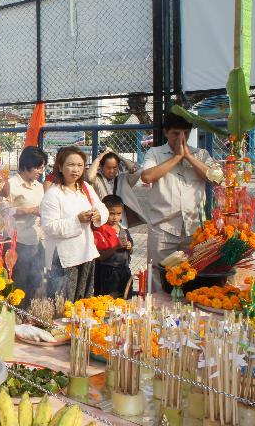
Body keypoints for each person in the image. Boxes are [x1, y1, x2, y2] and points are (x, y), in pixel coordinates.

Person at [140, 112, 214, 291]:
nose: (181, 138)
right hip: (163, 229)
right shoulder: (155, 153)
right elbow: (147, 176)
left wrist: (189, 157)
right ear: (165, 132)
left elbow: (216, 178)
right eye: (175, 133)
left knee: (194, 280)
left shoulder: (201, 154)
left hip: (194, 230)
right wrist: (176, 158)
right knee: (158, 280)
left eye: (185, 133)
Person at [41, 146, 108, 302]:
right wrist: (77, 220)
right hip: (64, 257)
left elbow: (102, 208)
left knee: (84, 300)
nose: (75, 170)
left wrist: (98, 215)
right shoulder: (53, 194)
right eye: (70, 165)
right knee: (63, 303)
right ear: (60, 167)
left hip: (86, 252)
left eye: (79, 165)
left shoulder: (85, 188)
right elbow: (49, 227)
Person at [8, 146, 48, 303]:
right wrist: (29, 210)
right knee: (19, 284)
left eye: (43, 168)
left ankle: (28, 317)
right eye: (38, 167)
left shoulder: (39, 186)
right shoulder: (11, 185)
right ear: (26, 165)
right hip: (17, 242)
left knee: (35, 282)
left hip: (36, 242)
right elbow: (3, 211)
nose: (41, 171)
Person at [86, 147, 145, 227]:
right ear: (101, 166)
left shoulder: (124, 178)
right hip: (102, 221)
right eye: (108, 168)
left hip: (121, 222)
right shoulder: (97, 179)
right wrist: (99, 158)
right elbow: (89, 177)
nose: (112, 171)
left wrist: (118, 156)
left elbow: (136, 171)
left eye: (115, 167)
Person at [93, 195, 134, 297]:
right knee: (109, 303)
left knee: (126, 298)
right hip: (108, 274)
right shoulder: (99, 230)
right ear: (103, 212)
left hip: (124, 271)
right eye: (111, 213)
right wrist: (116, 247)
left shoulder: (123, 229)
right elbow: (100, 257)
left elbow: (131, 251)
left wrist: (130, 247)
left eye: (119, 214)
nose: (115, 217)